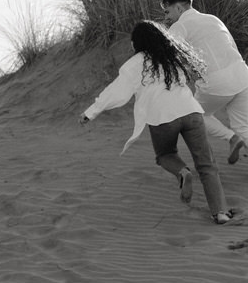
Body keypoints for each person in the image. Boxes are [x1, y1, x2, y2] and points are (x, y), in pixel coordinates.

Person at [79, 20, 233, 224]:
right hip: (191, 112)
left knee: (165, 155)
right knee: (207, 165)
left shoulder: (134, 64)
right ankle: (221, 212)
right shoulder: (174, 55)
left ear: (138, 43)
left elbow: (116, 92)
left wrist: (91, 112)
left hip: (162, 118)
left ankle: (182, 172)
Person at [161, 0, 248, 180]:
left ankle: (231, 138)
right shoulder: (213, 19)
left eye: (167, 11)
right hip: (241, 76)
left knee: (194, 114)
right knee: (244, 126)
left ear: (179, 8)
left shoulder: (179, 26)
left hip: (216, 81)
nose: (167, 16)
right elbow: (231, 46)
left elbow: (169, 56)